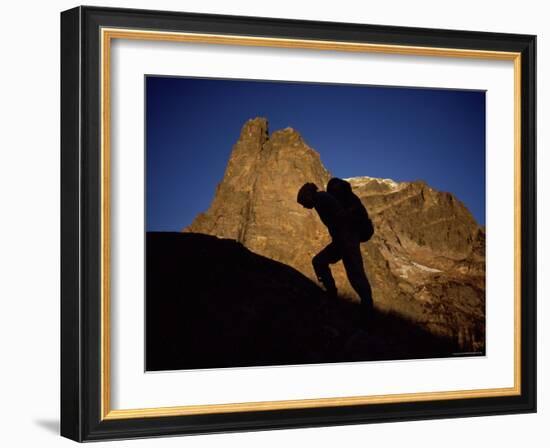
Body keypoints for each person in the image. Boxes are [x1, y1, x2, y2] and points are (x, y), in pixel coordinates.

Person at [296, 182, 374, 317]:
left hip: (346, 239)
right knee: (351, 271)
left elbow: (340, 216)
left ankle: (365, 306)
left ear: (308, 195)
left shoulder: (321, 199)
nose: (303, 206)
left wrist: (343, 235)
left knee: (353, 272)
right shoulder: (321, 199)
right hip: (344, 240)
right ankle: (361, 303)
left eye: (303, 201)